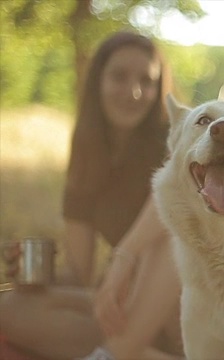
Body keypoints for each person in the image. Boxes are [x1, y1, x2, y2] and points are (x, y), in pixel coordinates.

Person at [0, 31, 183, 360]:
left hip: (185, 309)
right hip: (127, 308)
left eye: (147, 80)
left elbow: (174, 200)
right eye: (119, 77)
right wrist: (34, 270)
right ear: (97, 80)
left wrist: (124, 256)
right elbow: (80, 272)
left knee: (176, 236)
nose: (134, 92)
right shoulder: (88, 149)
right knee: (9, 306)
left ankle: (119, 352)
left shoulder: (178, 140)